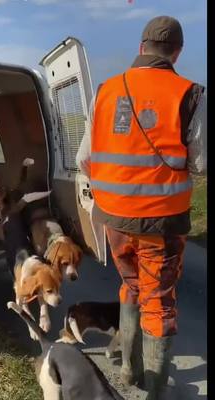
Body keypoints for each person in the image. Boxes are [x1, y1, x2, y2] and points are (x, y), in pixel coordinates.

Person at [76, 16, 206, 400]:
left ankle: (130, 369)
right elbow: (200, 163)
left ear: (140, 47)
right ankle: (154, 393)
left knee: (131, 286)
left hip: (113, 218)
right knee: (160, 303)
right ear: (177, 52)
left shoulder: (104, 91)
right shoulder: (191, 94)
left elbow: (85, 159)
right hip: (161, 223)